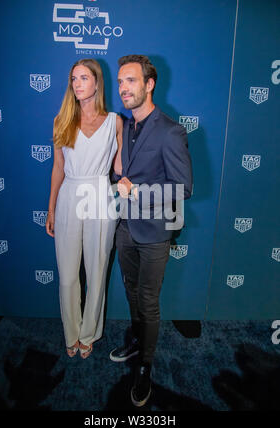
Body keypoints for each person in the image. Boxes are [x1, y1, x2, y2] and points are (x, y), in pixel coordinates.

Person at [109, 55, 192, 406]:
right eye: (120, 82)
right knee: (130, 291)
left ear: (149, 84)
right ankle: (136, 341)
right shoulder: (125, 126)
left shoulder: (171, 131)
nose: (124, 88)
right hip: (124, 227)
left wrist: (137, 191)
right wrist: (118, 180)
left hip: (155, 232)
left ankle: (145, 366)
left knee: (148, 301)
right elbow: (119, 174)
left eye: (131, 80)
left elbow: (183, 188)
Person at [46, 59, 123, 359]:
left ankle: (89, 333)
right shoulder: (60, 120)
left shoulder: (114, 121)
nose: (77, 84)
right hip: (69, 196)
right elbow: (58, 168)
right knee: (67, 275)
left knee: (97, 269)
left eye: (84, 78)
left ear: (97, 83)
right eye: (73, 79)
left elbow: (120, 167)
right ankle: (71, 332)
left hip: (101, 195)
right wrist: (51, 208)